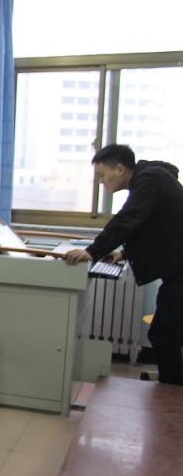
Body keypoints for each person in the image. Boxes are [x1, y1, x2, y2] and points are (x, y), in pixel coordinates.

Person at [65, 144, 183, 385]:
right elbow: (154, 227)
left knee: (164, 333)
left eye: (102, 175)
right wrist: (124, 253)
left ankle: (171, 392)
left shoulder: (150, 180)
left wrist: (92, 251)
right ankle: (172, 384)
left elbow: (128, 219)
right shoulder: (149, 179)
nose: (101, 181)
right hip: (177, 269)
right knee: (167, 331)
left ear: (119, 169)